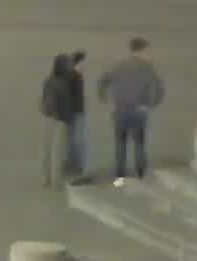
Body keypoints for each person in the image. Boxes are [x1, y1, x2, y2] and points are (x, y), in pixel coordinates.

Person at [104, 38, 165, 183]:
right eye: (148, 51)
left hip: (119, 111)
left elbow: (103, 81)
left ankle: (120, 177)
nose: (149, 54)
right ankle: (141, 175)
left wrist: (108, 102)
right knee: (139, 144)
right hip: (138, 112)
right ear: (142, 50)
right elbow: (160, 89)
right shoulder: (148, 68)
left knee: (120, 144)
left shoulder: (119, 65)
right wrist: (150, 105)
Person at [39, 54, 89, 184]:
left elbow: (44, 98)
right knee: (58, 151)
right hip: (60, 118)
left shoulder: (49, 80)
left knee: (47, 149)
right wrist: (68, 119)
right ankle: (56, 179)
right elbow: (66, 103)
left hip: (47, 116)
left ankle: (45, 178)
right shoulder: (63, 83)